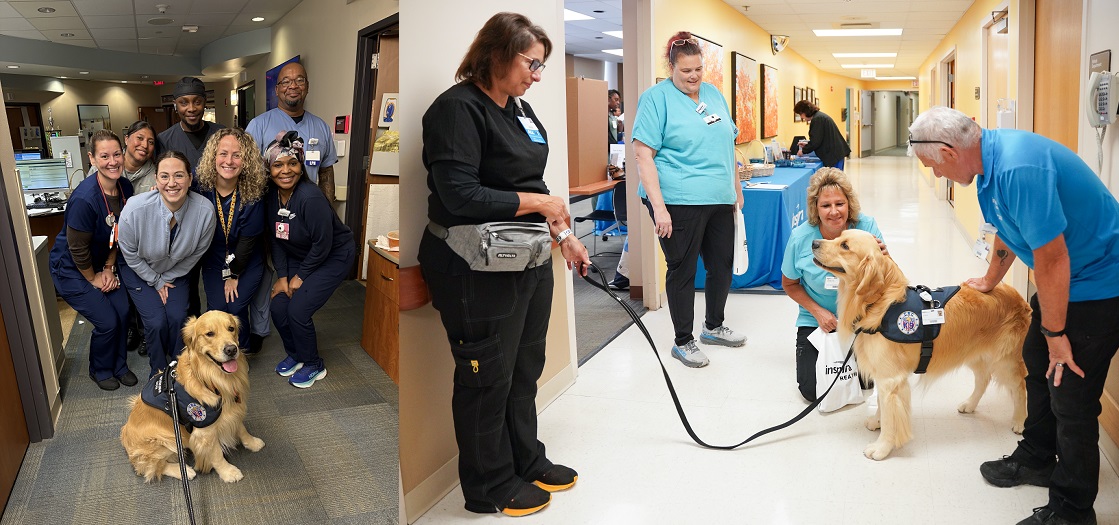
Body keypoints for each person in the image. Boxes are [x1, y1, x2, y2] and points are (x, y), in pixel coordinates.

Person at [909, 106, 1119, 525]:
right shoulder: (987, 171)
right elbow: (1007, 228)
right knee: (1036, 361)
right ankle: (1038, 456)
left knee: (1072, 396)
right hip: (1069, 278)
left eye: (932, 166)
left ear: (949, 152)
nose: (935, 174)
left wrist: (1056, 334)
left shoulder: (1018, 168)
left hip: (1099, 283)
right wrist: (990, 279)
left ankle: (1072, 510)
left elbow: (1053, 259)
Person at [418, 12, 590, 518]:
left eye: (540, 66)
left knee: (524, 368)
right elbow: (460, 195)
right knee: (486, 376)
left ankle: (525, 459)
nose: (537, 76)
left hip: (526, 258)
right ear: (496, 53)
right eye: (531, 64)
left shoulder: (519, 110)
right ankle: (488, 485)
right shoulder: (457, 110)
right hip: (471, 268)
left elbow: (533, 185)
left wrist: (563, 234)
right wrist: (541, 205)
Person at [631, 31, 746, 369]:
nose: (693, 76)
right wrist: (660, 209)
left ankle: (713, 327)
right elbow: (643, 156)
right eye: (686, 71)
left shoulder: (713, 94)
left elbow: (728, 145)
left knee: (721, 265)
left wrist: (736, 190)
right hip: (677, 200)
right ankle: (683, 341)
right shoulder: (655, 99)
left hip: (719, 197)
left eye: (698, 69)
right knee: (682, 269)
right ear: (671, 68)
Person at [245, 61, 339, 355]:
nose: (292, 86)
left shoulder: (320, 127)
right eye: (286, 81)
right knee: (265, 271)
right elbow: (247, 173)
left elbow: (326, 172)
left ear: (307, 86)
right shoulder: (259, 125)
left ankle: (297, 321)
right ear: (277, 89)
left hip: (306, 216)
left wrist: (328, 212)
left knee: (299, 270)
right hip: (268, 211)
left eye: (299, 80)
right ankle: (259, 329)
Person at [780, 167, 884, 401]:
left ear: (849, 204)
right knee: (812, 391)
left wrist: (884, 259)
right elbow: (789, 284)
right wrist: (818, 312)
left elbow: (882, 279)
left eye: (840, 203)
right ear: (815, 208)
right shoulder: (800, 238)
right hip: (817, 320)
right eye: (826, 205)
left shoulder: (866, 228)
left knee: (866, 381)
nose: (834, 211)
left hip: (860, 318)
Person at [264, 131, 354, 389]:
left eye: (292, 163)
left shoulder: (310, 198)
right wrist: (283, 277)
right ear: (269, 169)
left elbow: (323, 244)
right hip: (300, 253)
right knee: (278, 306)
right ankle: (297, 355)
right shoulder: (270, 197)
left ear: (301, 166)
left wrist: (300, 277)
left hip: (333, 255)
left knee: (298, 310)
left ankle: (314, 364)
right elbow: (276, 239)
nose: (286, 171)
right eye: (278, 165)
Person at [48, 130, 136, 390]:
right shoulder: (84, 199)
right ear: (92, 159)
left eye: (117, 154)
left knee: (122, 311)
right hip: (72, 269)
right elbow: (76, 249)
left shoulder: (125, 187)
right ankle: (100, 369)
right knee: (107, 321)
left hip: (101, 262)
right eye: (104, 156)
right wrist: (94, 277)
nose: (112, 161)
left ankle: (119, 366)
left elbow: (118, 232)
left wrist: (108, 267)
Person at [118, 151, 217, 378]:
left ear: (190, 179)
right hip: (138, 269)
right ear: (156, 179)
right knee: (156, 322)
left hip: (176, 272)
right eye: (164, 176)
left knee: (178, 317)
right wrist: (156, 280)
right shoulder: (134, 208)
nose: (171, 183)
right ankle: (158, 372)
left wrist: (167, 278)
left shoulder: (205, 211)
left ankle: (178, 369)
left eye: (179, 175)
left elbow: (197, 252)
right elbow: (129, 252)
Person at [194, 128, 268, 352]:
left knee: (235, 307)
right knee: (217, 308)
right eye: (223, 154)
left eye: (237, 155)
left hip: (247, 259)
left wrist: (234, 275)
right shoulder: (199, 187)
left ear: (246, 161)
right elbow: (173, 188)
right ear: (213, 156)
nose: (229, 161)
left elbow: (247, 243)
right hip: (215, 259)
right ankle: (217, 351)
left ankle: (240, 351)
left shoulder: (253, 193)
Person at [158, 76, 226, 319]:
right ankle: (193, 329)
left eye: (197, 101)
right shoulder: (165, 139)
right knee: (186, 285)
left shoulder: (221, 134)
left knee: (219, 282)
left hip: (221, 220)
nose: (191, 108)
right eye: (184, 102)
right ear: (175, 105)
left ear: (205, 102)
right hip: (183, 224)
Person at [793, 100, 850, 169]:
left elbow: (816, 141)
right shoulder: (820, 117)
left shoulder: (817, 119)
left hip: (833, 155)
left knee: (834, 175)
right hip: (836, 153)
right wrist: (808, 145)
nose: (801, 117)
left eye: (800, 114)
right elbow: (821, 138)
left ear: (805, 111)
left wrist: (803, 151)